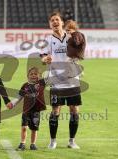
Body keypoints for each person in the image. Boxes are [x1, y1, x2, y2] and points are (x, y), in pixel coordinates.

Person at [40, 12, 86, 149]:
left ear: (62, 22)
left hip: (72, 79)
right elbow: (43, 56)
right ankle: (53, 141)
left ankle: (72, 141)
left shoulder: (71, 37)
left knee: (74, 110)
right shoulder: (48, 40)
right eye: (52, 20)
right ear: (50, 24)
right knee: (55, 111)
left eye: (57, 20)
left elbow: (80, 46)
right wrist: (45, 59)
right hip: (56, 80)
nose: (55, 22)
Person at [7, 67, 46, 151]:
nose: (33, 76)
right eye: (31, 74)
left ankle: (33, 144)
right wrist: (12, 103)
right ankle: (22, 143)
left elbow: (49, 75)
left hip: (36, 111)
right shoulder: (25, 86)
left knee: (34, 128)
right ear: (28, 76)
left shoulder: (41, 84)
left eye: (35, 74)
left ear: (39, 75)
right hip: (26, 110)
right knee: (24, 127)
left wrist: (49, 64)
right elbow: (19, 97)